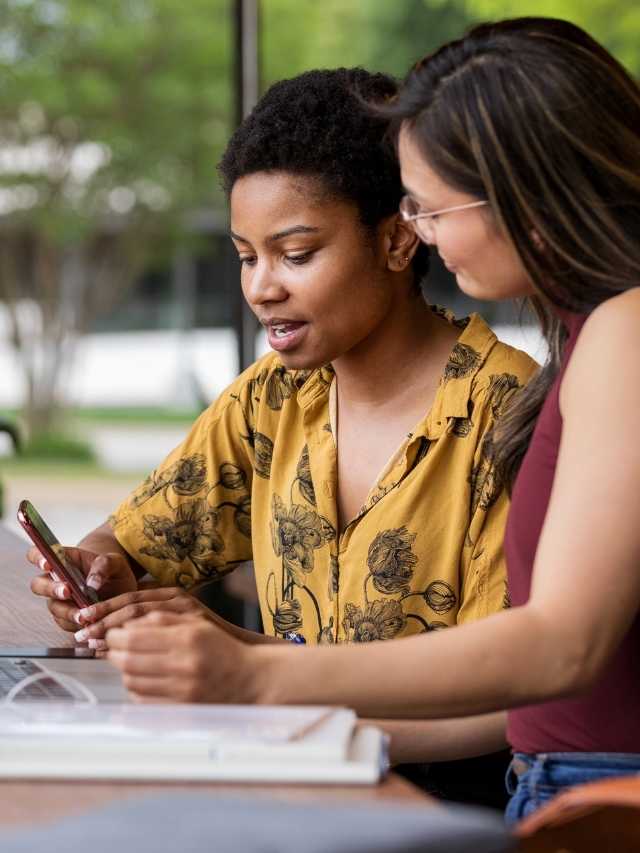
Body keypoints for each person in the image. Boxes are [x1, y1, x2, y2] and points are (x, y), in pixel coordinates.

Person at [103, 19, 640, 823]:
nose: (416, 233)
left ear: (517, 189)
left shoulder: (621, 332)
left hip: (590, 791)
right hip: (560, 779)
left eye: (427, 207)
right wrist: (240, 652)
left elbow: (561, 643)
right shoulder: (596, 331)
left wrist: (260, 681)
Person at [27, 67, 535, 802]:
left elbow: (513, 694)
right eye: (245, 256)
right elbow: (125, 549)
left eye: (296, 254)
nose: (263, 286)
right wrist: (92, 576)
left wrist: (255, 688)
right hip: (286, 772)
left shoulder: (505, 410)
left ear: (396, 240)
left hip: (446, 798)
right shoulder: (270, 399)